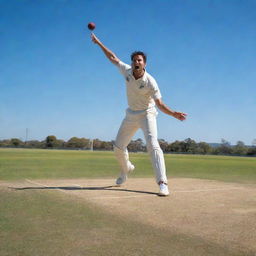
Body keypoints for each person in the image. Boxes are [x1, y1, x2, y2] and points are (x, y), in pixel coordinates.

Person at [91, 33, 187, 196]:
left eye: (139, 60)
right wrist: (99, 43)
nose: (136, 62)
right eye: (134, 60)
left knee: (152, 144)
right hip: (131, 115)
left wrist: (173, 114)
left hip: (147, 114)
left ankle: (162, 183)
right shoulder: (127, 72)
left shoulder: (151, 81)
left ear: (144, 64)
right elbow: (113, 58)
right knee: (118, 148)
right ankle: (126, 169)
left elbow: (160, 104)